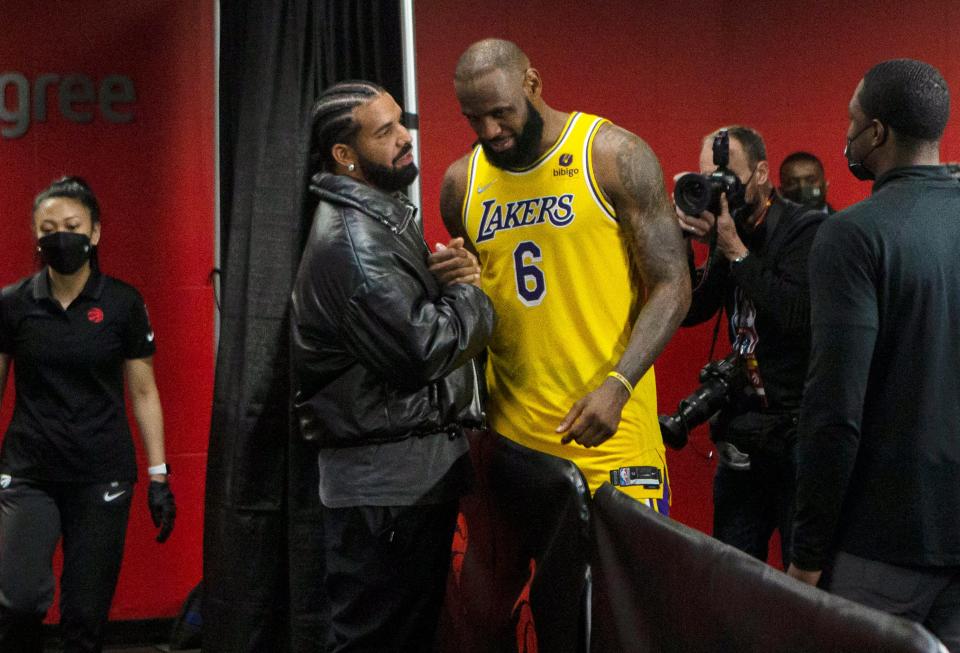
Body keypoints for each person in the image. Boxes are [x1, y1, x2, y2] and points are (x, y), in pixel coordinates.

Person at [436, 38, 690, 512]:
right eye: (473, 118)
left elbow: (673, 285)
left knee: (624, 589)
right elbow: (477, 307)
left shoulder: (612, 156)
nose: (489, 130)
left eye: (500, 112)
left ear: (532, 83)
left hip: (610, 438)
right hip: (512, 445)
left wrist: (620, 385)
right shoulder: (461, 184)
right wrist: (456, 284)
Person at [290, 80, 494, 652]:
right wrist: (469, 291)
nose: (406, 138)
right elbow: (423, 350)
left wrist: (440, 279)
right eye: (386, 132)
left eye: (401, 122)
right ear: (344, 156)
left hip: (401, 480)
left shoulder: (377, 219)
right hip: (388, 491)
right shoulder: (355, 243)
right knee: (379, 642)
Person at [788, 59, 960, 651]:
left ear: (878, 134)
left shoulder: (851, 235)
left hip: (883, 546)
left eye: (852, 121)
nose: (848, 135)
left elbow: (834, 410)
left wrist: (805, 555)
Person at [0, 177, 176, 653]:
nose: (62, 236)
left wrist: (159, 476)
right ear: (36, 235)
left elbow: (143, 392)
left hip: (101, 473)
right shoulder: (13, 303)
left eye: (73, 226)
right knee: (17, 601)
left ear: (95, 233)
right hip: (28, 470)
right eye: (49, 228)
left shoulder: (122, 303)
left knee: (85, 616)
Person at [677, 126, 825, 565]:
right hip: (745, 431)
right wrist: (682, 243)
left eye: (729, 179)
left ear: (762, 173)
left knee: (803, 578)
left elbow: (797, 314)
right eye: (710, 179)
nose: (721, 191)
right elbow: (692, 310)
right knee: (734, 575)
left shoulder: (808, 229)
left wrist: (736, 249)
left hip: (797, 430)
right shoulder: (731, 227)